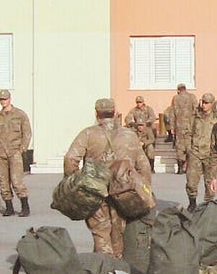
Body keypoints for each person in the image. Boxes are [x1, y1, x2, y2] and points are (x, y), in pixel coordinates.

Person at [63, 97, 150, 257]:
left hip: (97, 192)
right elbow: (144, 166)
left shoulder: (88, 134)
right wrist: (144, 191)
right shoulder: (129, 135)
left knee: (101, 234)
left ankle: (105, 270)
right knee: (120, 235)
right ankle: (119, 271)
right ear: (115, 113)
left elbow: (70, 159)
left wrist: (75, 183)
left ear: (97, 114)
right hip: (124, 193)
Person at [0, 90, 32, 217]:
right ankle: (9, 207)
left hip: (15, 152)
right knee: (3, 182)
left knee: (16, 181)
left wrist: (22, 149)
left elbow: (27, 133)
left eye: (5, 99)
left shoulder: (20, 115)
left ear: (10, 99)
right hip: (1, 153)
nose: (3, 101)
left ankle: (25, 207)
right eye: (1, 99)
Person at [183, 94, 217, 211]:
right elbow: (188, 133)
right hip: (195, 152)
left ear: (212, 103)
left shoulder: (216, 118)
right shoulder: (196, 116)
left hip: (210, 154)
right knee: (191, 181)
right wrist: (189, 149)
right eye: (203, 102)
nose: (204, 105)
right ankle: (192, 202)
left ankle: (208, 205)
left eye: (207, 103)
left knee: (210, 182)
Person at [168, 84, 198, 175]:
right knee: (190, 147)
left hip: (179, 127)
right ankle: (189, 167)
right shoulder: (192, 97)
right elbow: (197, 111)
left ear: (178, 90)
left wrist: (172, 128)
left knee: (180, 148)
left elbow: (172, 114)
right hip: (190, 127)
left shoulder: (175, 98)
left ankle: (180, 168)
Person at [126, 95, 158, 173]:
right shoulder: (134, 110)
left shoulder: (148, 109)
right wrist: (132, 123)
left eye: (140, 102)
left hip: (147, 127)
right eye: (137, 102)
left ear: (143, 102)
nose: (138, 104)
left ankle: (152, 167)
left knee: (150, 146)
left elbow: (152, 117)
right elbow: (128, 118)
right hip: (137, 127)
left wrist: (147, 123)